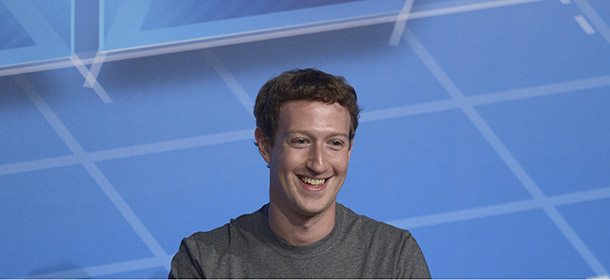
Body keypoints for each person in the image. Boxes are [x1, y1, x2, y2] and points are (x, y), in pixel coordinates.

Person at [169, 68, 430, 278]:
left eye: (334, 143)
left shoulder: (393, 256)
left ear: (349, 151)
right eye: (301, 141)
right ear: (265, 145)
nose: (318, 163)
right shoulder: (205, 261)